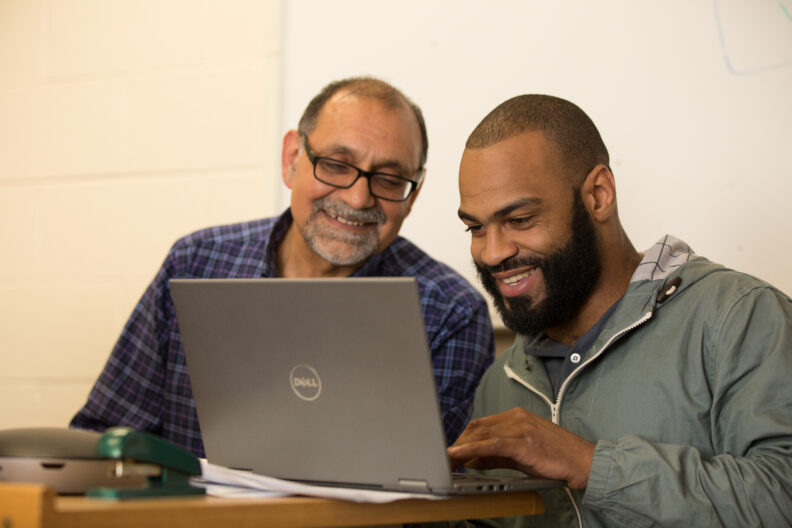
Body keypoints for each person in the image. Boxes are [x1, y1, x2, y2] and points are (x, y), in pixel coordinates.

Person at [70, 77, 494, 455]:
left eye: (388, 179)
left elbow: (428, 500)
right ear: (292, 159)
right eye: (336, 165)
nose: (357, 199)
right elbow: (107, 437)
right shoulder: (194, 262)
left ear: (413, 195)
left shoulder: (450, 313)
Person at [440, 95, 792, 527]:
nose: (492, 253)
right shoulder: (501, 381)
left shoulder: (738, 317)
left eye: (521, 219)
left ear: (599, 195)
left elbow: (783, 495)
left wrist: (589, 464)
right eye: (476, 227)